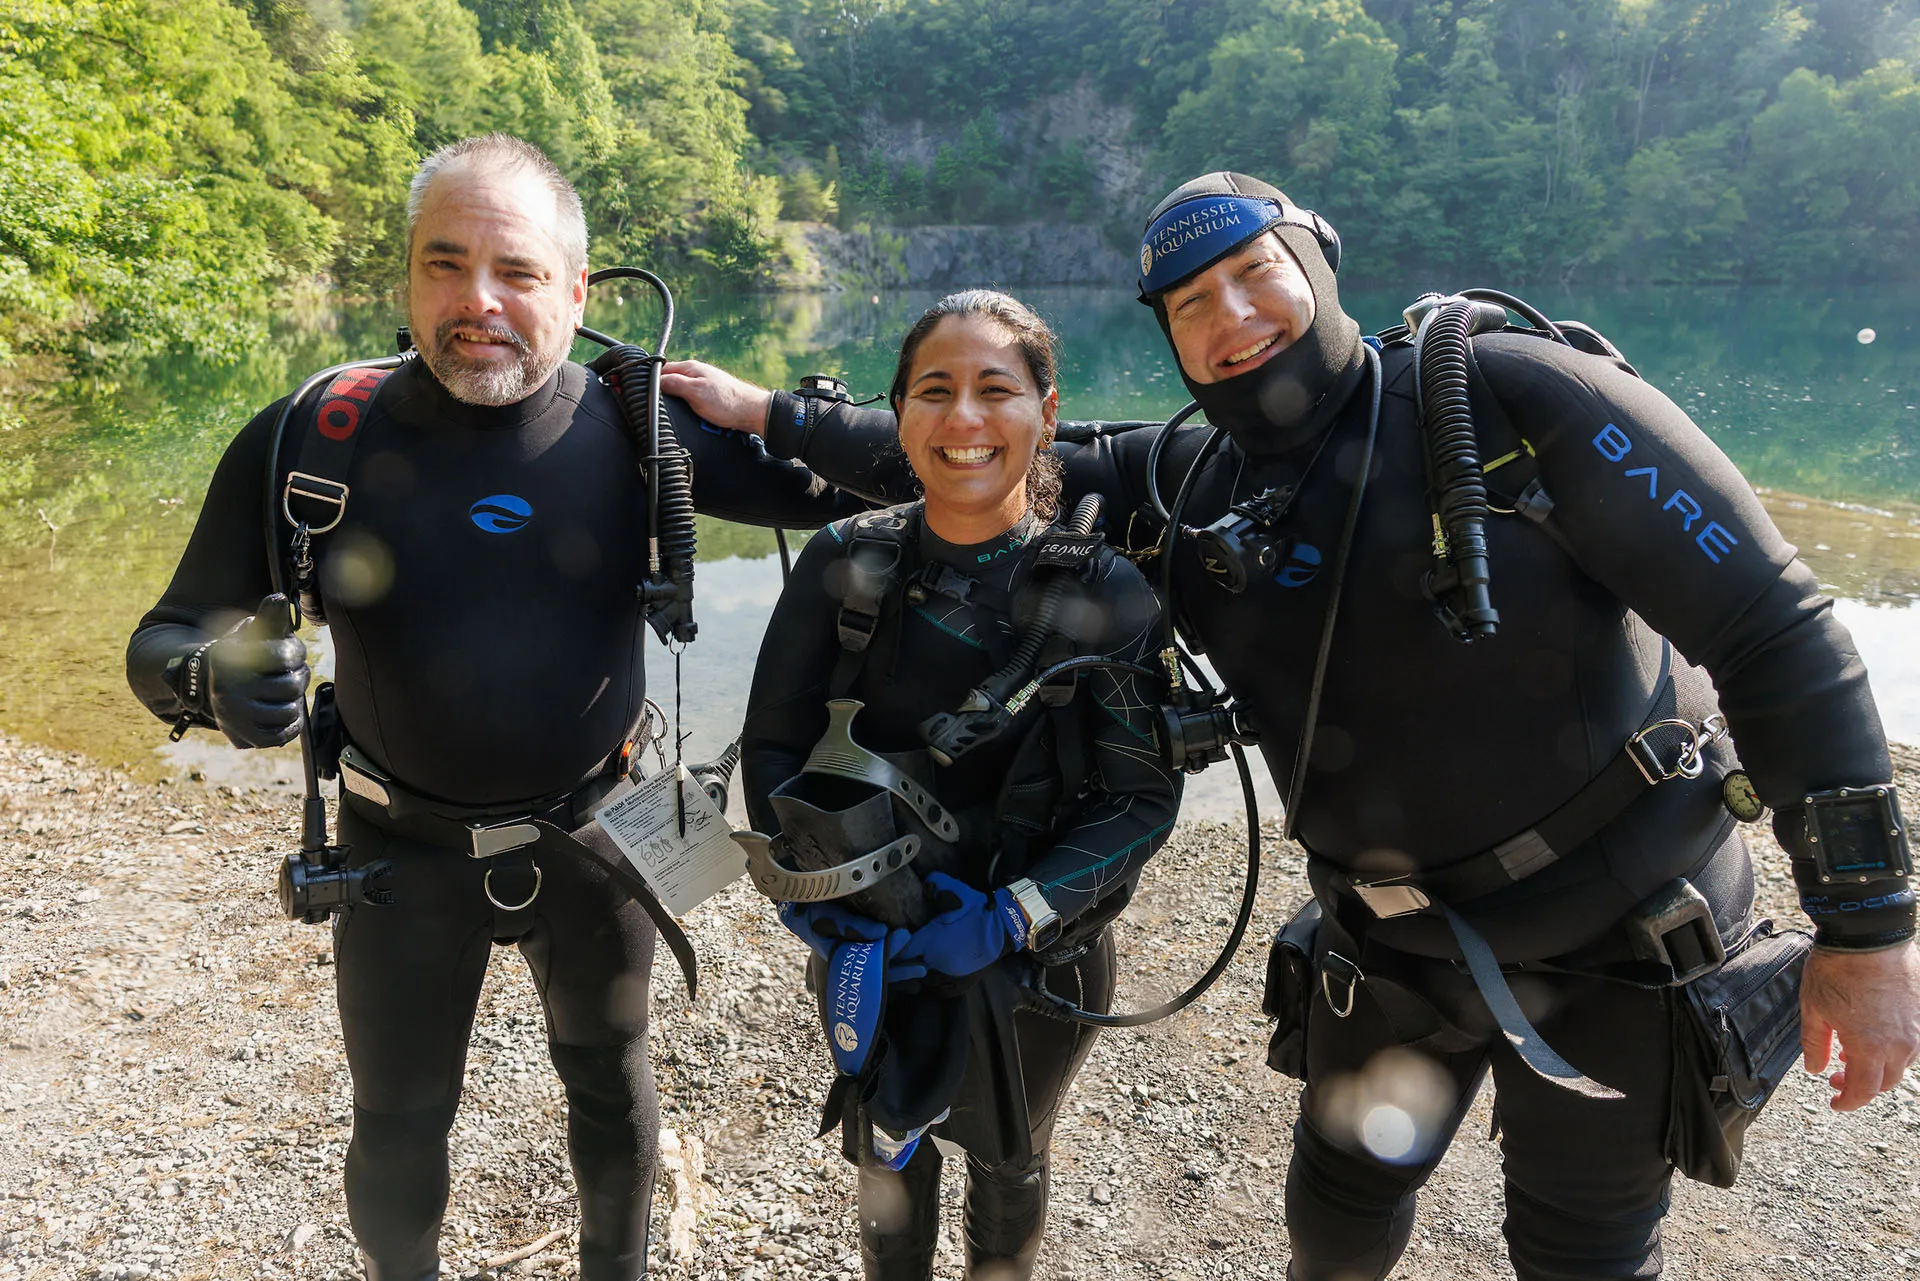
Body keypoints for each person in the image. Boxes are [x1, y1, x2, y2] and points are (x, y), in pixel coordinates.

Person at [662, 173, 1919, 1280]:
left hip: (1621, 927)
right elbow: (973, 451)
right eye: (1191, 303)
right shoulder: (1188, 481)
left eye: (1255, 275)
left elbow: (1780, 628)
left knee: (1582, 1251)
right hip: (1391, 943)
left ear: (1317, 265)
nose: (1233, 318)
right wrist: (771, 417)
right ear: (1167, 336)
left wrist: (1868, 930)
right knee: (1333, 1222)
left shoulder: (1504, 401)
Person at [125, 133, 873, 1281]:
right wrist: (209, 680)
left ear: (576, 291)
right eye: (445, 263)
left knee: (614, 1094)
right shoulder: (314, 435)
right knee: (397, 1123)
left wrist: (781, 411)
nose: (479, 301)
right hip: (396, 849)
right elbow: (160, 640)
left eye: (517, 272)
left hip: (599, 833)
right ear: (404, 280)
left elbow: (925, 465)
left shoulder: (642, 429)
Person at [733, 290, 1180, 1280]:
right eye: (934, 390)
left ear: (1046, 414)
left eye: (996, 390)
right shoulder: (847, 560)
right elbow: (770, 749)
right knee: (884, 1147)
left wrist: (1015, 913)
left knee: (1008, 1155)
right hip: (871, 938)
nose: (965, 419)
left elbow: (1140, 799)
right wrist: (819, 893)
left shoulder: (1100, 592)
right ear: (899, 414)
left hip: (1038, 954)